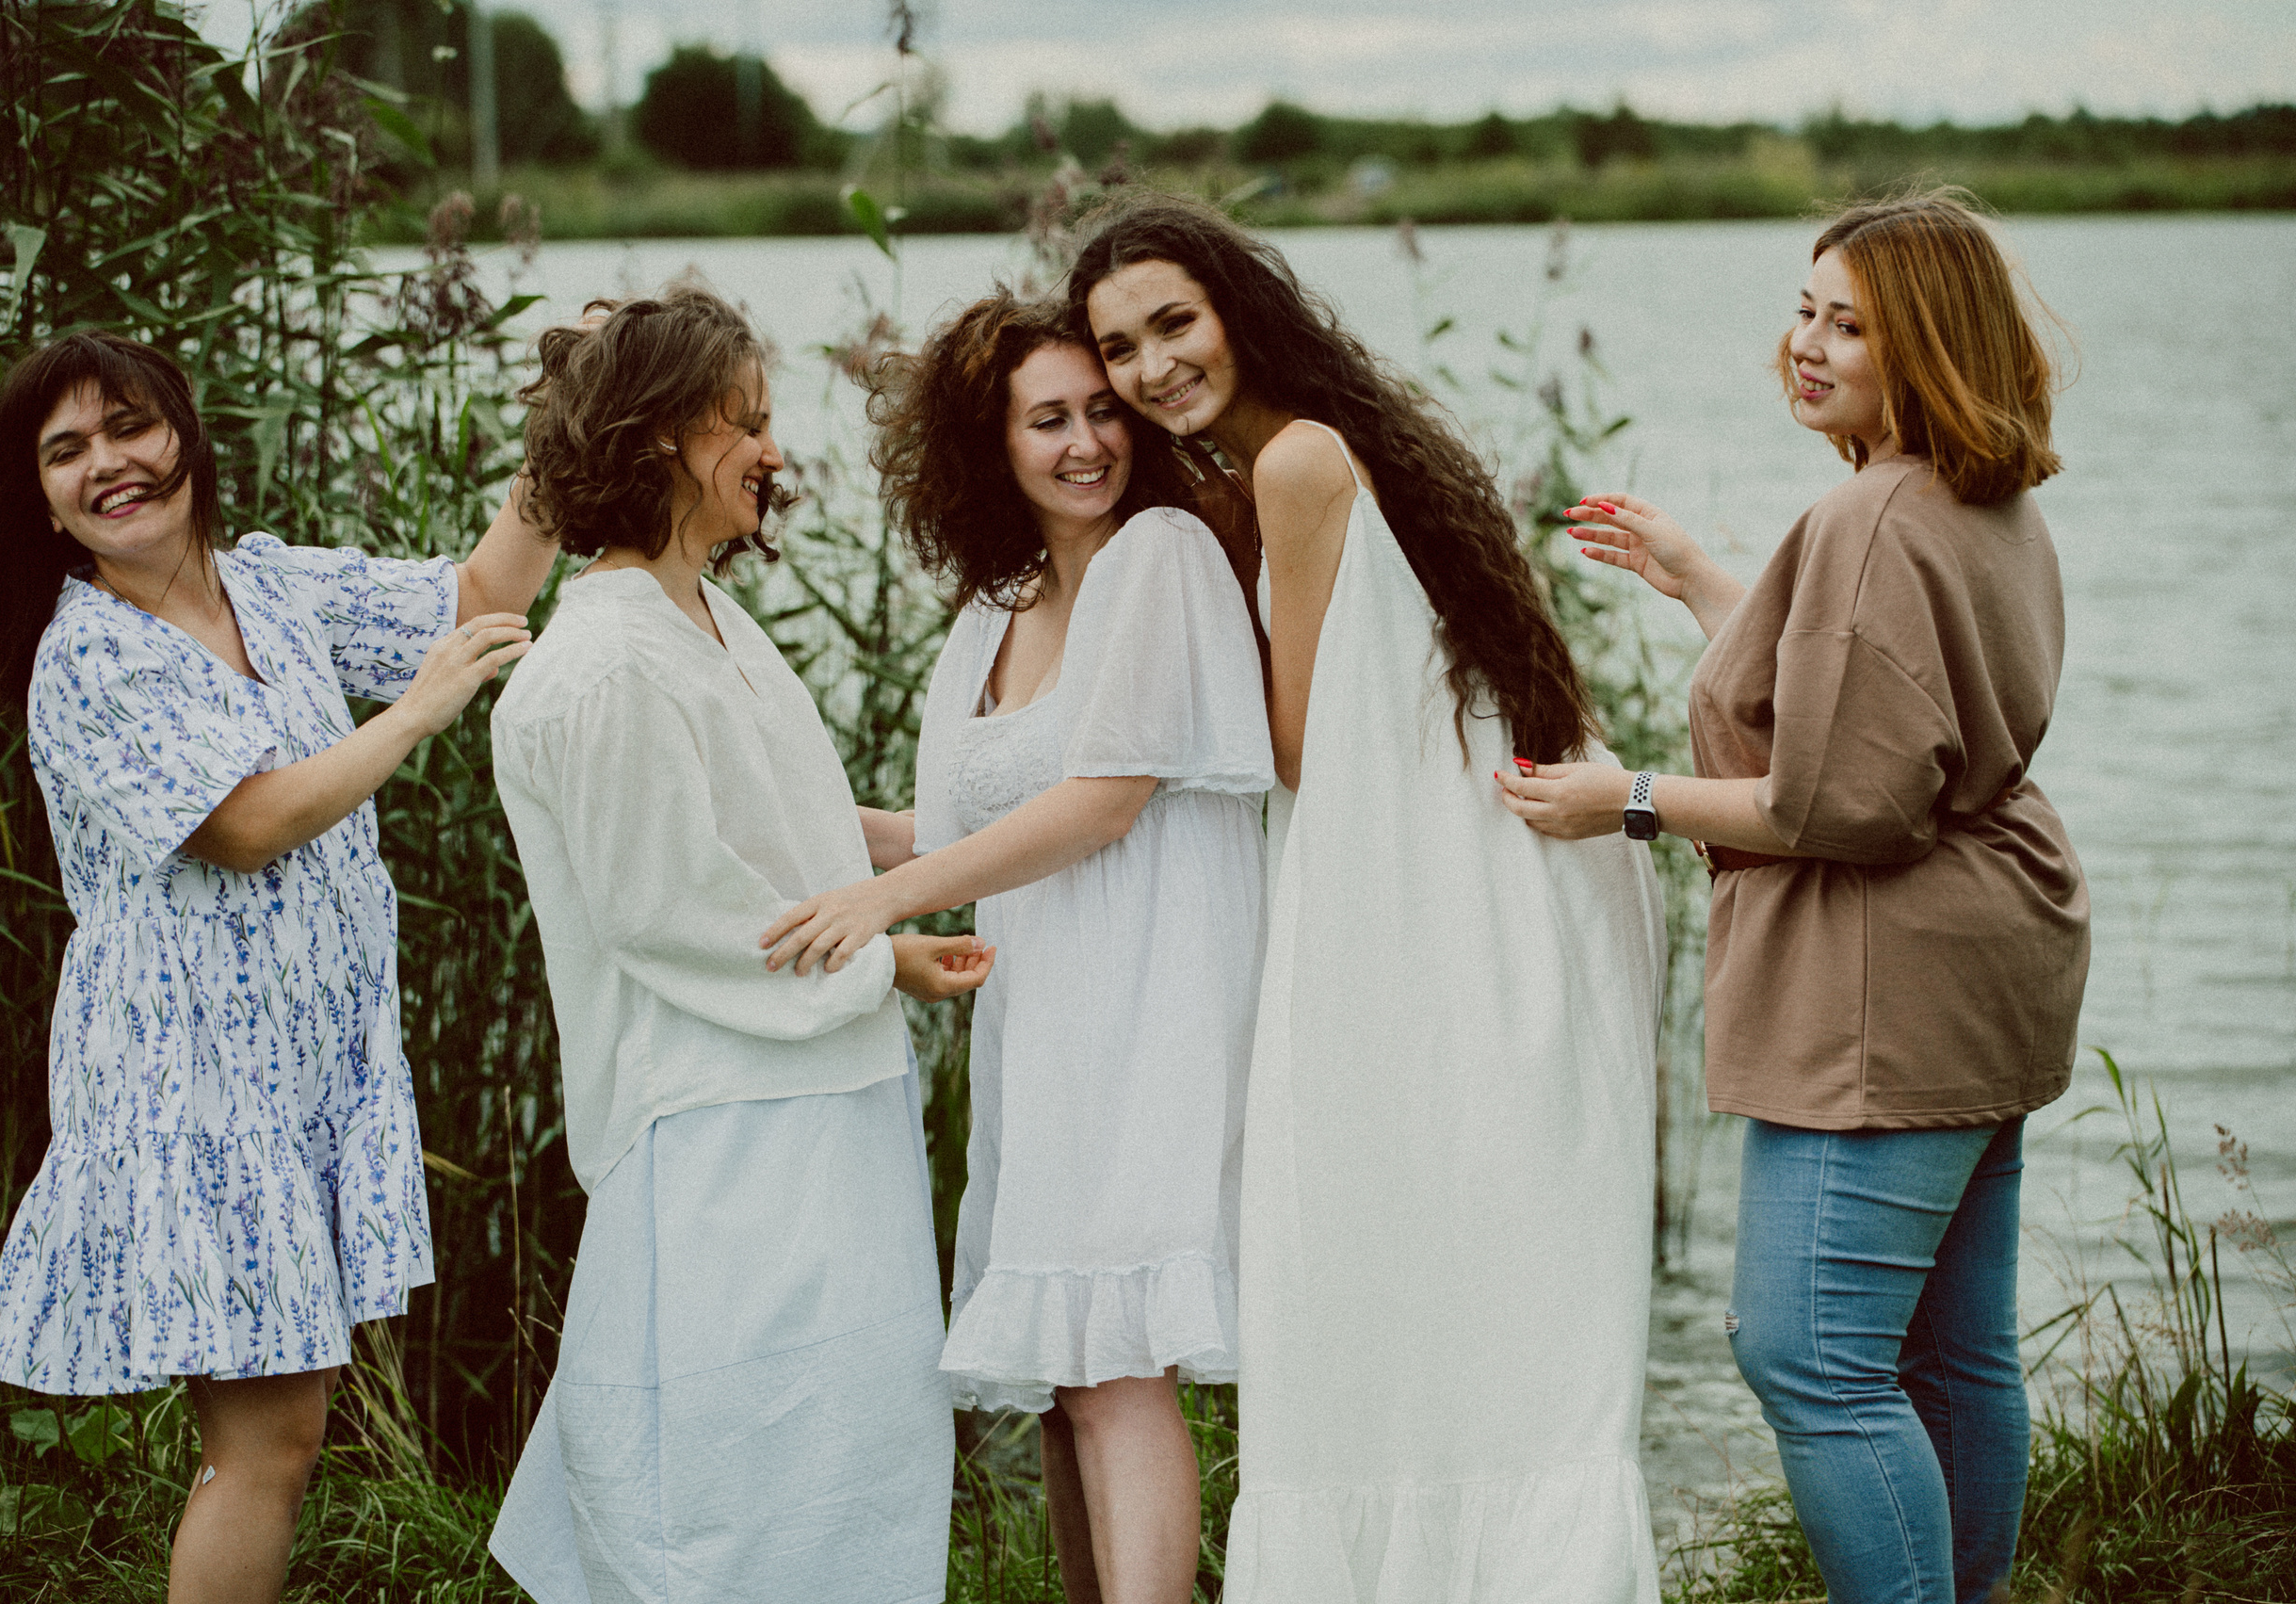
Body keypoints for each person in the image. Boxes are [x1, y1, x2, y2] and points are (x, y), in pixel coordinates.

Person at [1068, 195, 1669, 1601]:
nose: (1153, 368)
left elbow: (1294, 745)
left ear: (1236, 309)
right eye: (1121, 349)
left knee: (1363, 1251)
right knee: (1472, 1269)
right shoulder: (1327, 443)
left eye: (1174, 323)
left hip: (1424, 906)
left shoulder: (1294, 466)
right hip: (1484, 887)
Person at [1498, 189, 2091, 1604]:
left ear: (1927, 344)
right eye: (1803, 310)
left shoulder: (1872, 515)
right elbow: (1881, 700)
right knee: (1952, 1352)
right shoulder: (1979, 493)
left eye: (1849, 325)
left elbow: (1846, 802)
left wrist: (1620, 800)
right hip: (1994, 955)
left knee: (1809, 1355)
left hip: (1888, 980)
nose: (1805, 347)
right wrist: (1707, 579)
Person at [0, 329, 556, 1604]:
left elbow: (483, 598)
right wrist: (419, 710)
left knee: (276, 1436)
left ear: (186, 435)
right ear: (42, 501)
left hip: (300, 1061)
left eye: (132, 427)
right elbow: (245, 822)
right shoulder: (89, 654)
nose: (110, 464)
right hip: (193, 1080)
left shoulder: (268, 584)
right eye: (68, 451)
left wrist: (567, 419)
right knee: (263, 1443)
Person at [759, 290, 1271, 1604]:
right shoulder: (996, 606)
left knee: (1113, 1366)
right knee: (1064, 1377)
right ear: (990, 444)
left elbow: (1107, 799)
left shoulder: (1162, 553)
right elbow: (938, 826)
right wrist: (770, 823)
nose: (1088, 441)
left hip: (1149, 1002)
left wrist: (891, 901)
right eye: (1048, 420)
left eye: (1104, 409)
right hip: (1043, 1025)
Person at [483, 280, 989, 1604]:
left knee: (847, 1445)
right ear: (658, 438)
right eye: (743, 424)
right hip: (721, 1123)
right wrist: (892, 957)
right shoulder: (598, 670)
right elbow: (676, 912)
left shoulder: (702, 616)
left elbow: (785, 828)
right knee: (727, 1465)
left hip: (821, 1095)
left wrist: (967, 848)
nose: (773, 452)